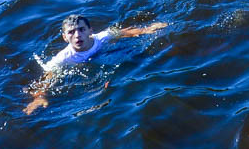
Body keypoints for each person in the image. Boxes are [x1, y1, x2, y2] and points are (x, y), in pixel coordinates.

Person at [25, 15, 167, 114]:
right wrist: (39, 97)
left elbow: (124, 32)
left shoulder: (102, 37)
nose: (77, 35)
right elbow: (47, 78)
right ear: (64, 37)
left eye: (81, 29)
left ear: (90, 31)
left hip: (104, 54)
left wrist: (146, 30)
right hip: (83, 68)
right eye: (71, 32)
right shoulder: (63, 59)